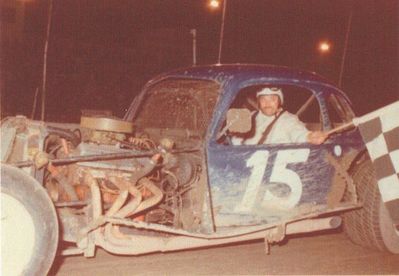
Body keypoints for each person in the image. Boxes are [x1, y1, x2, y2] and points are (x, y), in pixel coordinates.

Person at [231, 87, 328, 145]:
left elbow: (298, 133)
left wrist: (310, 137)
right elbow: (234, 140)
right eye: (263, 99)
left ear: (279, 102)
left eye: (272, 99)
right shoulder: (249, 116)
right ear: (258, 102)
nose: (267, 103)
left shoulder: (288, 119)